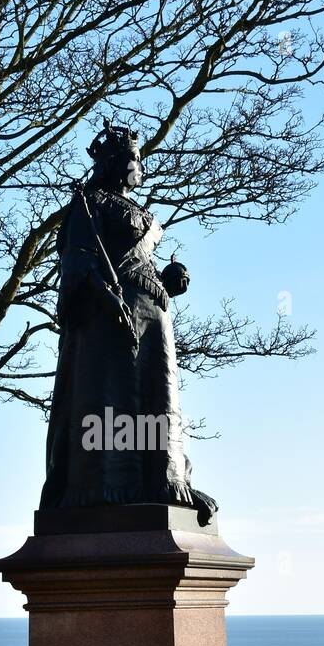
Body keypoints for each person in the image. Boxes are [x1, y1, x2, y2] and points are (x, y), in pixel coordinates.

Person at [39, 121, 217, 524]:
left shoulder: (137, 210)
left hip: (153, 314)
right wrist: (105, 295)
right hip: (108, 316)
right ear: (118, 163)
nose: (141, 167)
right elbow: (77, 259)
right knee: (112, 394)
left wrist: (167, 280)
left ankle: (163, 482)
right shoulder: (90, 204)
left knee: (156, 395)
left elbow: (142, 262)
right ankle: (105, 487)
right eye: (136, 159)